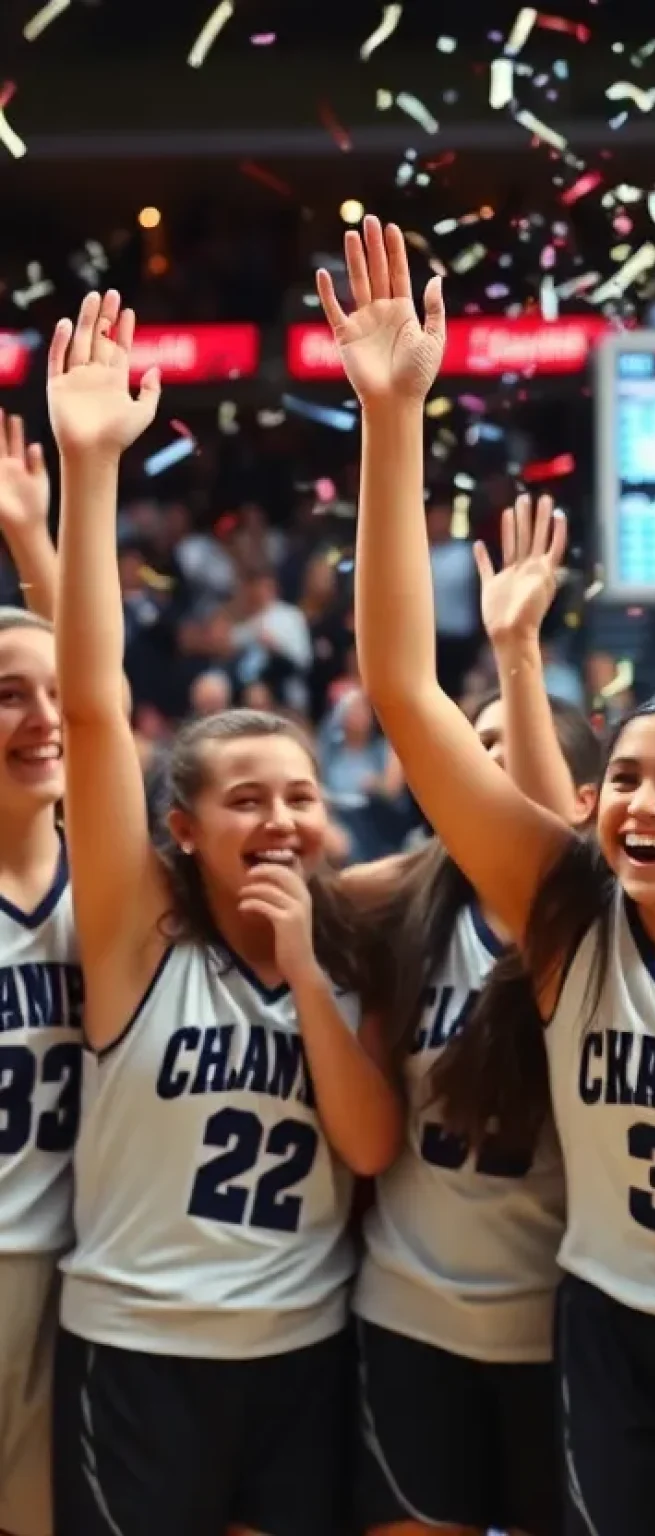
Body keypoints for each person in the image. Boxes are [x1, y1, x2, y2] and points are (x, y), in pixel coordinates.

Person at [322, 216, 655, 1535]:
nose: (641, 800)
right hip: (605, 1326)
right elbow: (406, 697)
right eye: (626, 777)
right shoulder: (568, 915)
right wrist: (392, 412)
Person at [46, 289, 400, 1536]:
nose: (283, 821)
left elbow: (367, 1151)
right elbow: (93, 709)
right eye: (247, 800)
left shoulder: (352, 946)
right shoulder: (136, 943)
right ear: (183, 829)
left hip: (304, 1355)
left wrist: (306, 971)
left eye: (300, 796)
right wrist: (90, 468)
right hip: (137, 1350)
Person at [348, 672, 601, 1536]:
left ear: (585, 797)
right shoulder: (402, 905)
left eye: (498, 746)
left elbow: (544, 841)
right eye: (468, 746)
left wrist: (517, 647)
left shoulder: (599, 926)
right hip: (407, 1317)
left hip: (552, 1329)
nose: (475, 765)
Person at [0, 416, 74, 1536]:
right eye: (9, 693)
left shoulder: (110, 876)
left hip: (71, 1264)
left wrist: (33, 540)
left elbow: (90, 698)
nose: (43, 716)